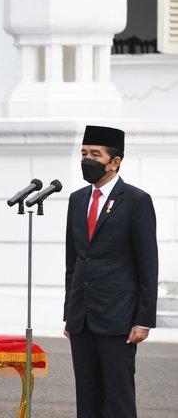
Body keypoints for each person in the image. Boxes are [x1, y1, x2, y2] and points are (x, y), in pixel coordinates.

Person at [63, 125, 158, 417]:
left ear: (114, 161)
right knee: (87, 396)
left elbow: (147, 263)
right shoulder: (77, 199)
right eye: (83, 153)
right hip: (82, 316)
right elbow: (73, 261)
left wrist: (144, 319)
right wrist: (70, 311)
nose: (87, 160)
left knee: (118, 397)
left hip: (118, 317)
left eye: (95, 154)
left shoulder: (137, 201)